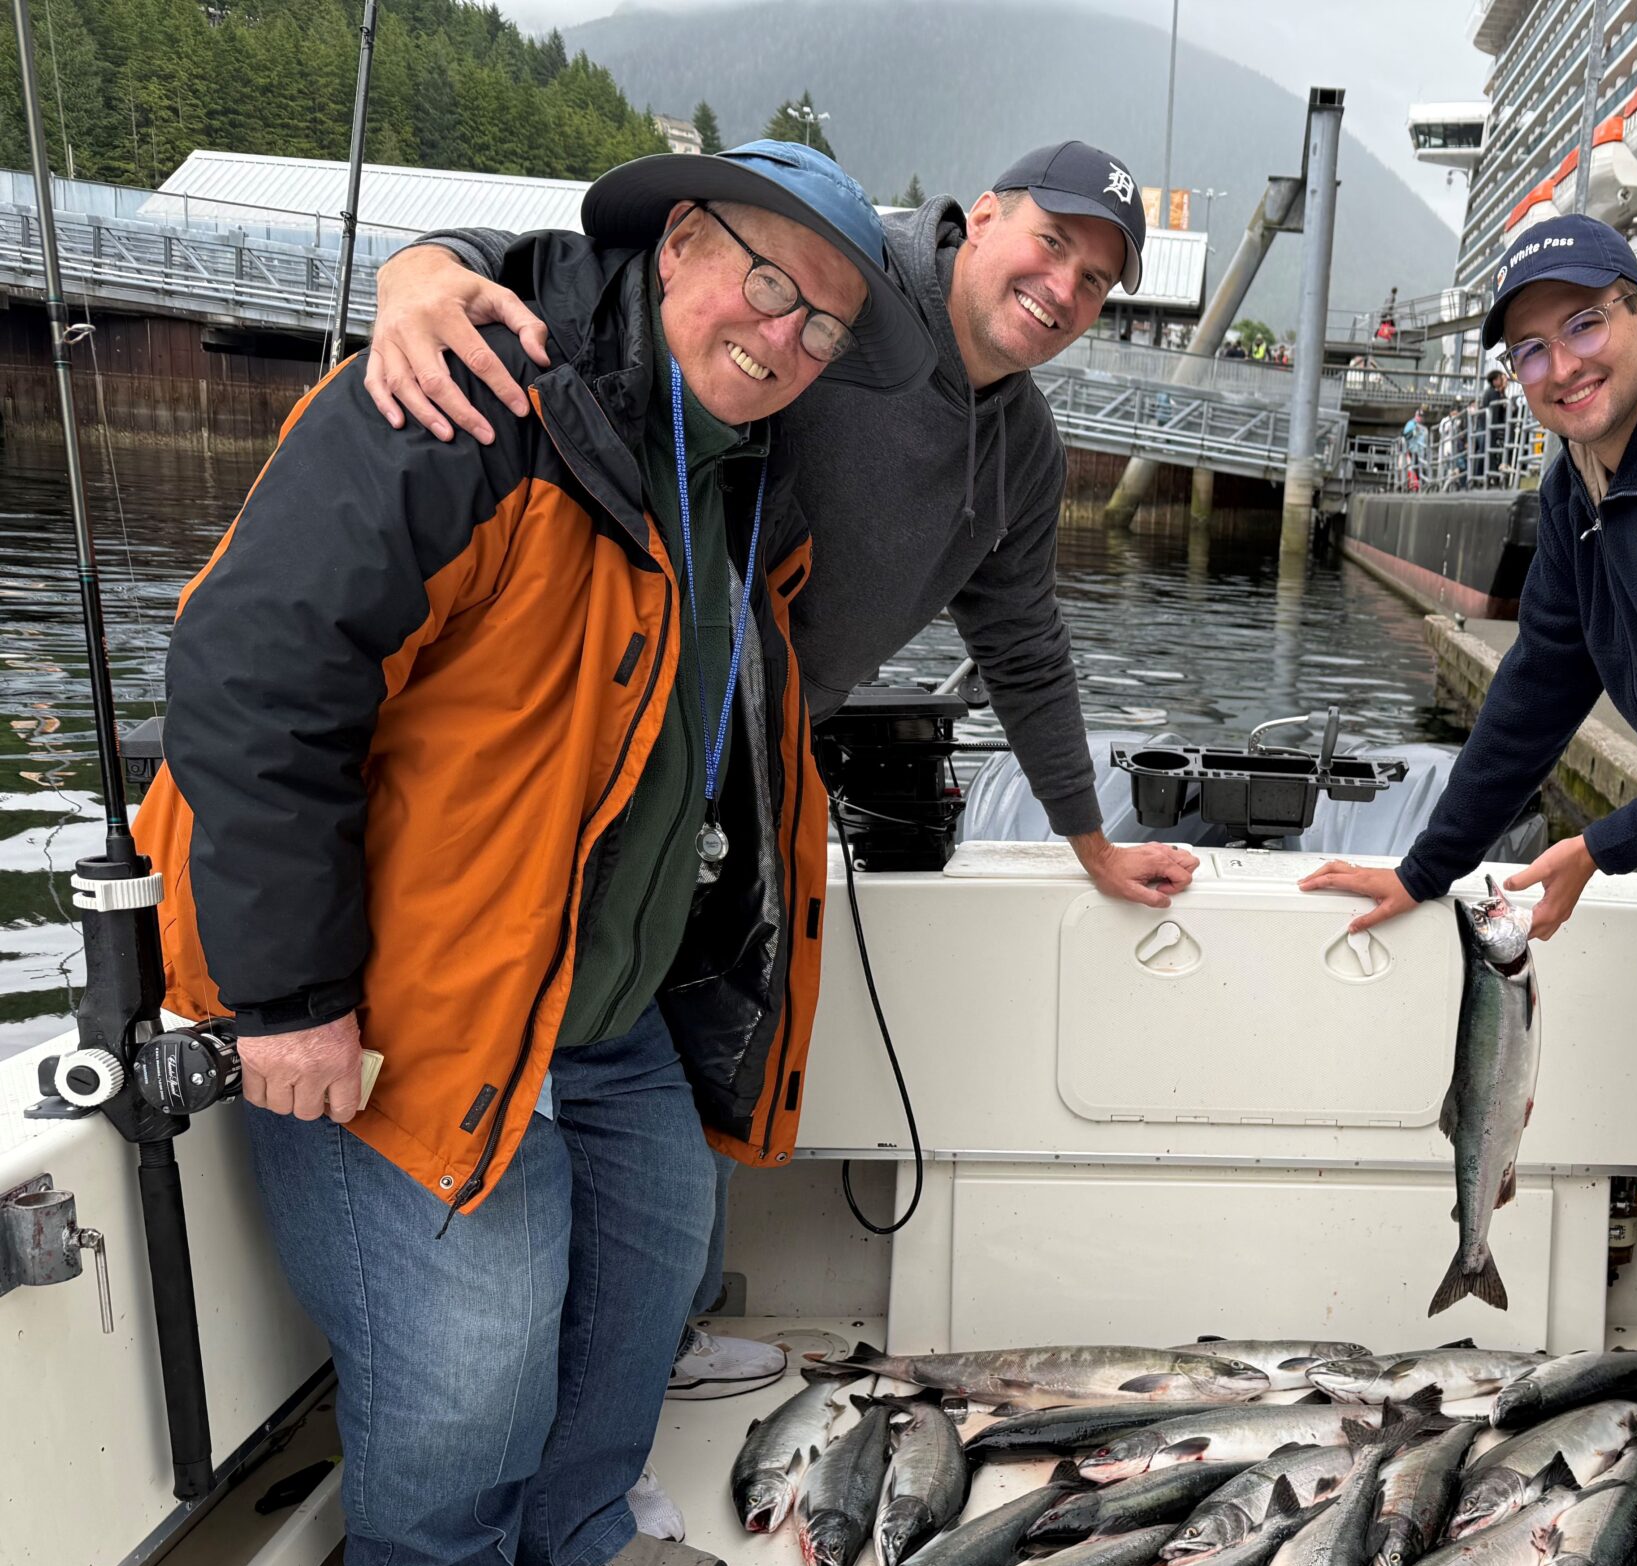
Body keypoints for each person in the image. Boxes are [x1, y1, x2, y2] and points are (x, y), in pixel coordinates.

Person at [135, 142, 935, 1566]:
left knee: (656, 1262)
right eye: (769, 284)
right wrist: (290, 995)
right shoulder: (468, 398)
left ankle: (571, 1529)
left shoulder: (737, 475)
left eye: (825, 326)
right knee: (482, 1322)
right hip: (402, 993)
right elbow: (250, 674)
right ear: (680, 241)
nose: (786, 340)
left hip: (598, 988)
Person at [361, 137, 1201, 1436]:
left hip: (744, 775)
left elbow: (1023, 640)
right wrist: (429, 269)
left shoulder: (1026, 449)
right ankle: (510, 1380)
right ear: (982, 216)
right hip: (602, 727)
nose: (1064, 286)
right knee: (540, 1045)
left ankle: (654, 1330)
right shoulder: (847, 274)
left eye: (1097, 281)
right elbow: (628, 280)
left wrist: (1088, 837)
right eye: (1053, 242)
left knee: (700, 1042)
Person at [1300, 212, 1637, 1357]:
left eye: (1582, 323)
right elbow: (1541, 679)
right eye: (1528, 350)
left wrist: (1600, 846)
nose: (1559, 365)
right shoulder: (1579, 476)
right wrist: (1425, 867)